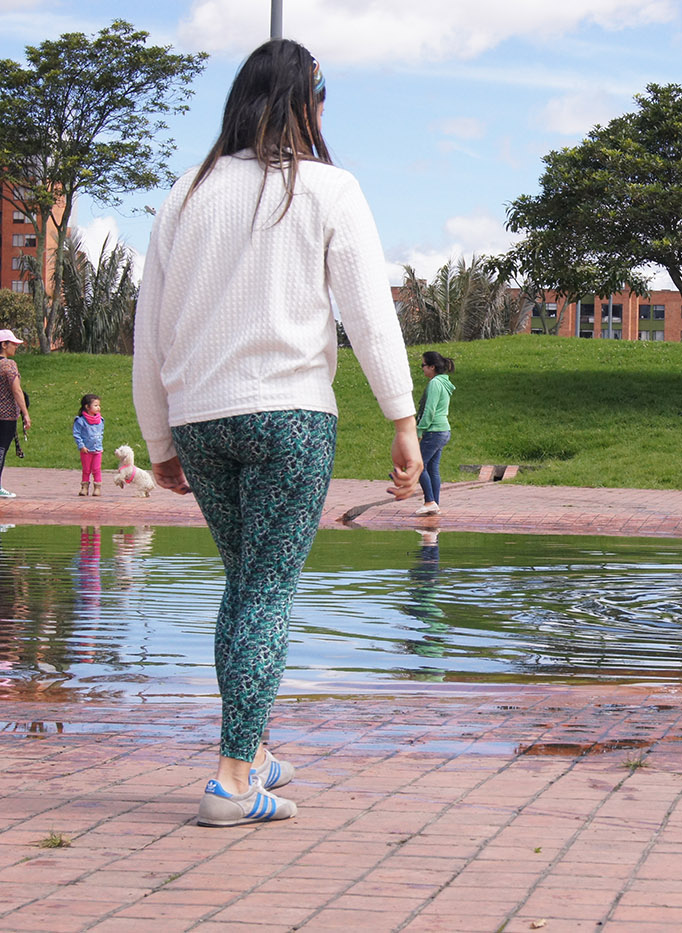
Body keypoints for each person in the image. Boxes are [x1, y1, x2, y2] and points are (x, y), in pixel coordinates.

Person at [132, 40, 423, 827]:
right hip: (290, 417)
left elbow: (148, 329)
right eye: (323, 90)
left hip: (201, 421)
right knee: (264, 590)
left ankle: (252, 748)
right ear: (300, 99)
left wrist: (158, 438)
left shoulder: (183, 195)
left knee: (246, 584)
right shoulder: (328, 188)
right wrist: (402, 418)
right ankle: (231, 779)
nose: (327, 106)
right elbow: (368, 312)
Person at [415, 351, 455, 516]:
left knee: (418, 466)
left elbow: (429, 411)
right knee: (432, 468)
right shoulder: (443, 383)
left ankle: (430, 501)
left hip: (434, 431)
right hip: (443, 430)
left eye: (423, 365)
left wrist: (419, 430)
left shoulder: (435, 384)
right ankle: (434, 504)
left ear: (432, 367)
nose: (422, 369)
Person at [0, 329, 30, 499]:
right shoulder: (9, 365)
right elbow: (16, 389)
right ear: (4, 345)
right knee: (1, 451)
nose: (15, 348)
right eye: (13, 344)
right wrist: (25, 413)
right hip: (5, 417)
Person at [73, 394, 106, 497]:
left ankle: (97, 487)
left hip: (97, 450)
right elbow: (77, 434)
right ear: (87, 407)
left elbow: (101, 433)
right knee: (86, 469)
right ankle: (84, 487)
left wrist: (99, 445)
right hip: (86, 450)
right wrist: (81, 446)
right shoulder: (80, 421)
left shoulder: (100, 420)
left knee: (97, 469)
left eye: (98, 405)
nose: (98, 408)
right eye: (95, 405)